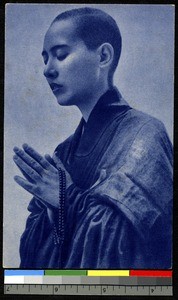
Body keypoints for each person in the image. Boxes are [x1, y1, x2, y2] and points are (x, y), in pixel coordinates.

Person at [13, 7, 173, 269]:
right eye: (45, 59)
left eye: (61, 55)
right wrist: (53, 211)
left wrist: (66, 197)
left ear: (103, 56)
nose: (47, 70)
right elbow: (34, 262)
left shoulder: (146, 135)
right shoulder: (64, 153)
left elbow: (135, 246)